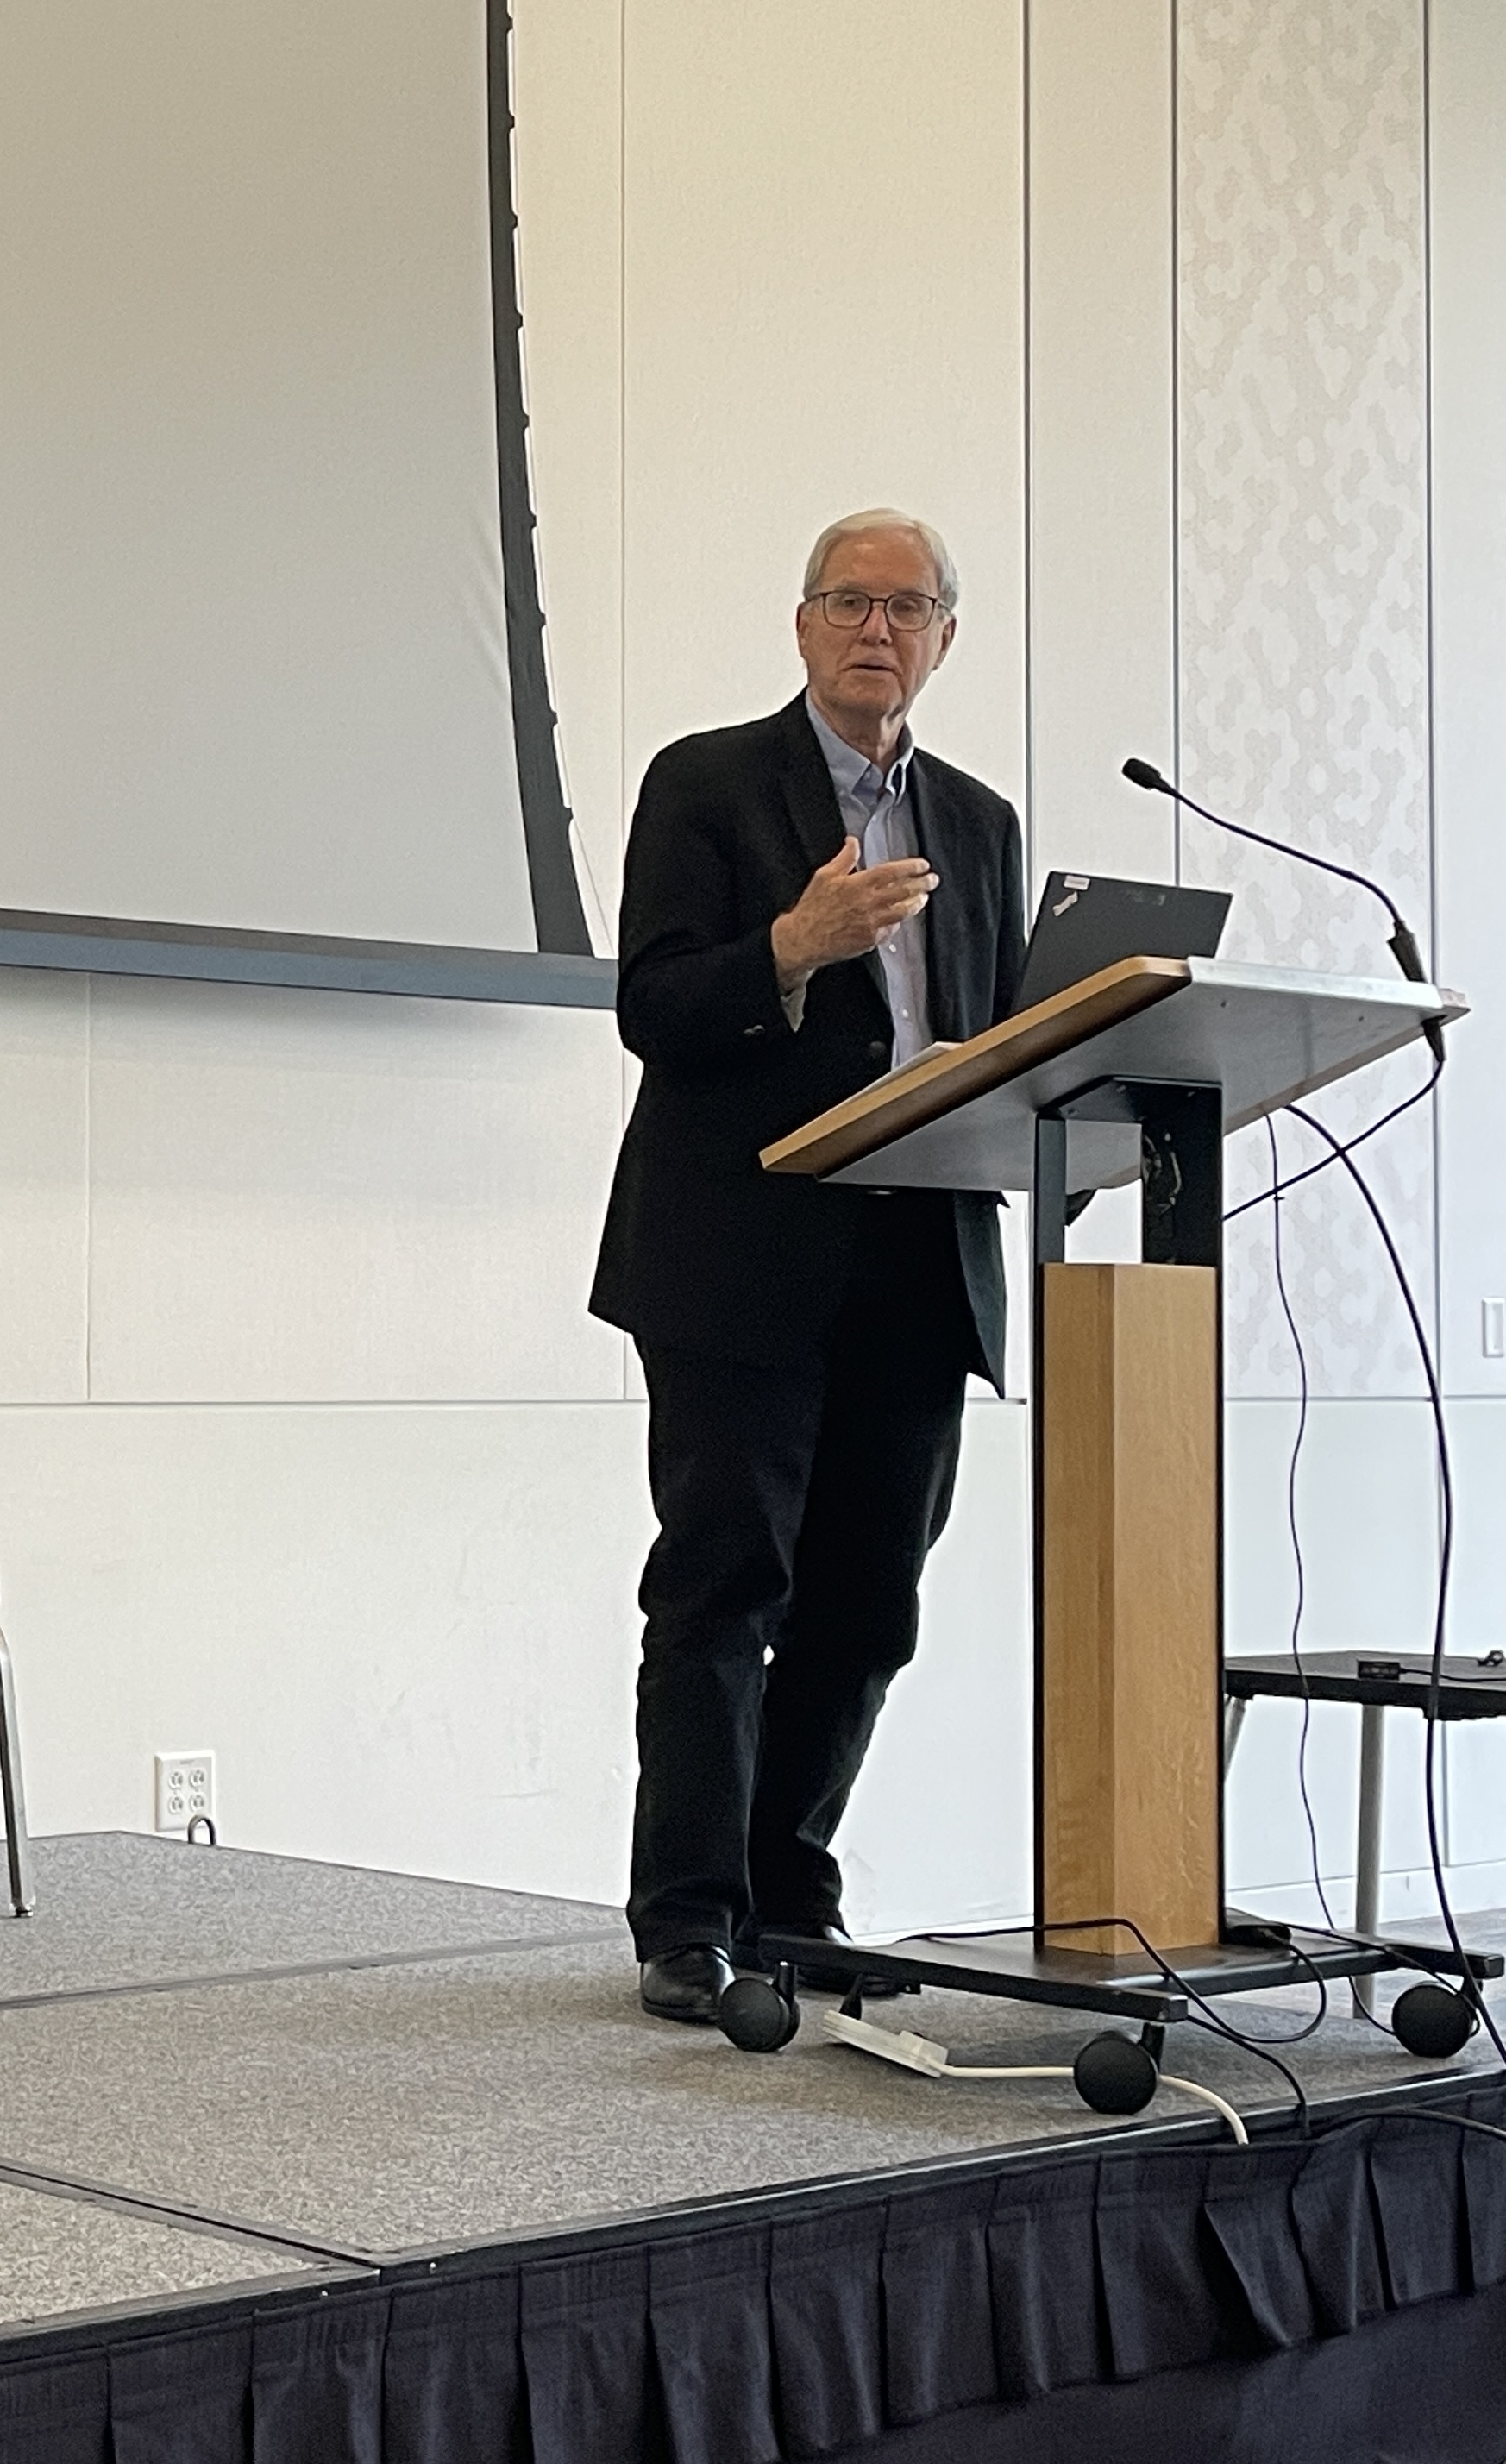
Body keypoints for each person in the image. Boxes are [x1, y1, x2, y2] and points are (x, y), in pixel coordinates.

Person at [588, 511, 1027, 2025]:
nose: (875, 628)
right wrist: (792, 942)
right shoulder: (706, 781)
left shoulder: (978, 822)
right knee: (725, 1583)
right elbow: (652, 1005)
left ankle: (790, 1886)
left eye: (908, 607)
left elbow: (996, 1036)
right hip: (739, 1255)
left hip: (919, 1252)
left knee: (867, 1602)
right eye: (849, 600)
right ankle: (689, 1915)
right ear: (800, 623)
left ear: (944, 640)